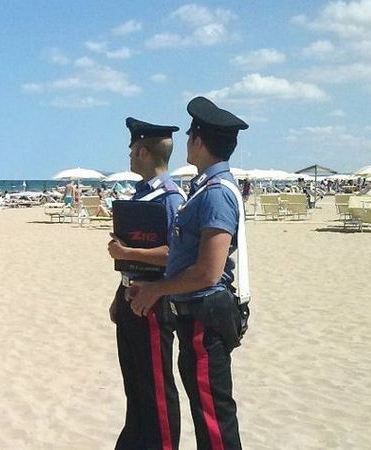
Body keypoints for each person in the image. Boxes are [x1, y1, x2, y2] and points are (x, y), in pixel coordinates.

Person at [129, 97, 250, 449]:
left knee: (213, 419)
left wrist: (157, 289)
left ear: (197, 141)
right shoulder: (204, 189)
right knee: (206, 413)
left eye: (190, 136)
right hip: (196, 315)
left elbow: (208, 272)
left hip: (205, 315)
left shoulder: (215, 194)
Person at [108, 117, 186, 450]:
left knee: (156, 389)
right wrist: (119, 293)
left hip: (154, 300)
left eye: (131, 150)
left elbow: (177, 254)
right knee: (136, 386)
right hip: (131, 295)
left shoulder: (169, 198)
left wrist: (128, 252)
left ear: (142, 151)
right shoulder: (143, 194)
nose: (129, 155)